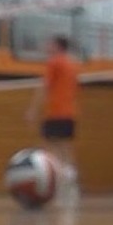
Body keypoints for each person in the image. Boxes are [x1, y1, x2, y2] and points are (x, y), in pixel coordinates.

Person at [25, 35, 80, 201]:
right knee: (64, 145)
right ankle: (70, 178)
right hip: (70, 111)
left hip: (56, 112)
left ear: (58, 46)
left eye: (50, 44)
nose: (47, 46)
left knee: (49, 145)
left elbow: (44, 87)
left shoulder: (54, 63)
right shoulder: (73, 65)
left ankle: (56, 180)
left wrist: (32, 110)